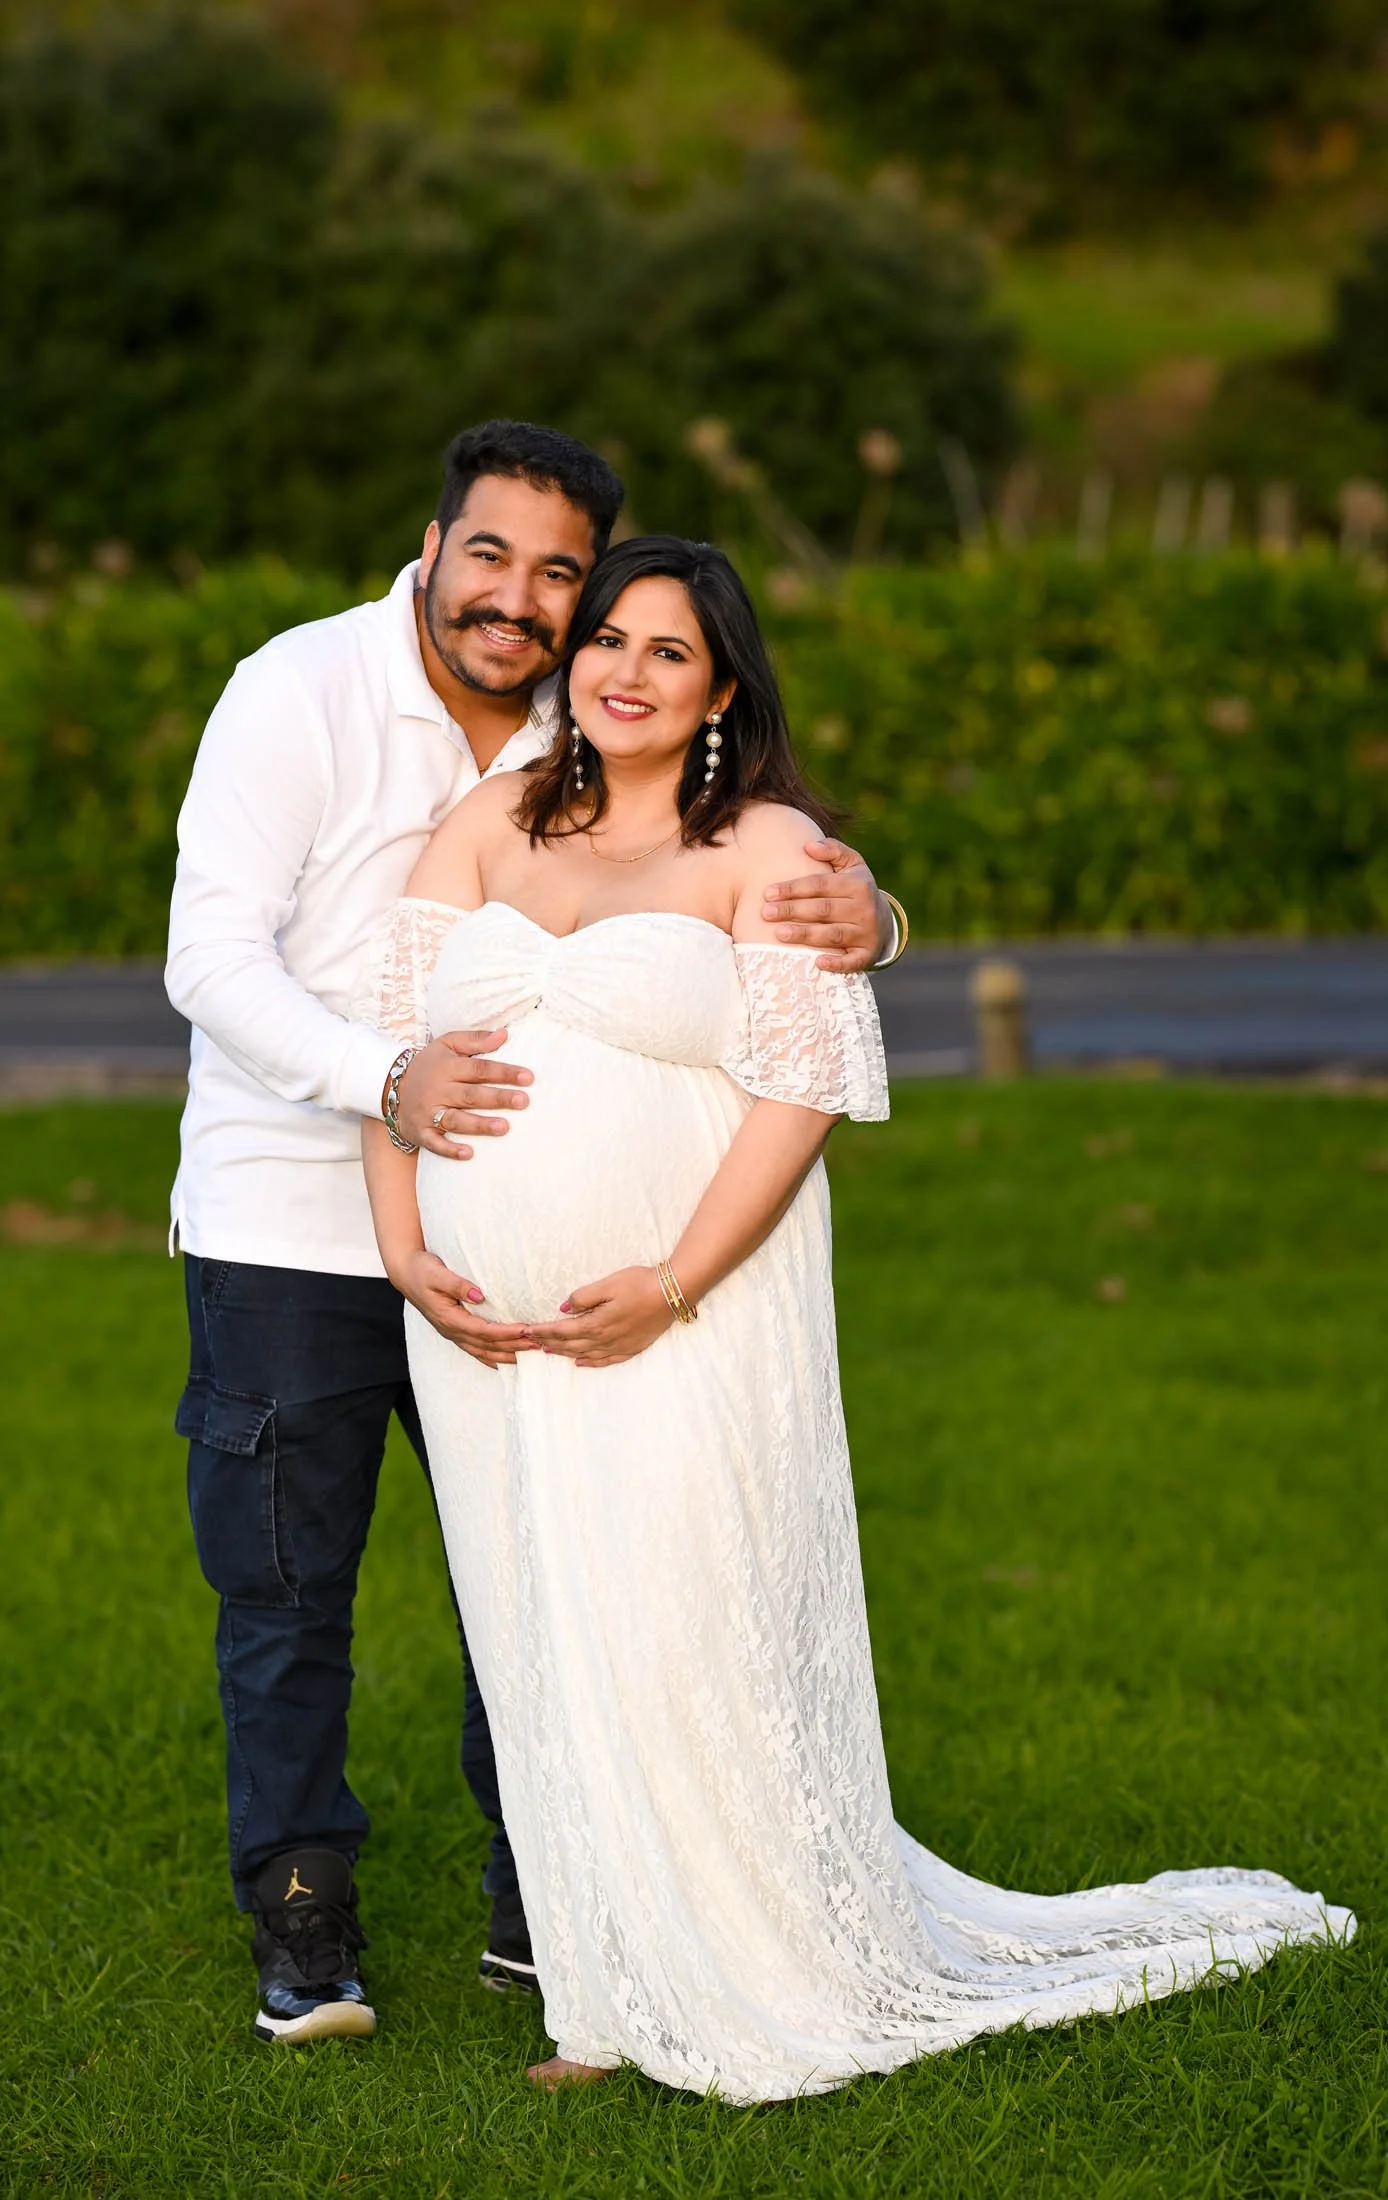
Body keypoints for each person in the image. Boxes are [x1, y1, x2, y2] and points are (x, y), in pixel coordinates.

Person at [357, 534, 1352, 2102]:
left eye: (670, 651)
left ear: (722, 691)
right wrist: (406, 1248)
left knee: (684, 1621)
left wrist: (671, 1282)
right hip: (480, 1329)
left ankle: (753, 1965)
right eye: (607, 637)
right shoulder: (490, 819)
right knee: (539, 1628)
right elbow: (392, 1053)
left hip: (685, 1316)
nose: (624, 670)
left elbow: (803, 1093)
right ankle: (599, 2000)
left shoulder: (771, 848)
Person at [165, 422, 900, 2046]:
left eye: (560, 572)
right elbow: (210, 959)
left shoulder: (583, 723)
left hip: (533, 1276)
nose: (519, 597)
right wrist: (389, 1088)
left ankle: (552, 1902)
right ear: (433, 546)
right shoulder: (298, 691)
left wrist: (876, 913)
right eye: (490, 554)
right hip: (292, 1227)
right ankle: (304, 1920)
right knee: (286, 1589)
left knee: (552, 1573)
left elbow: (736, 877)